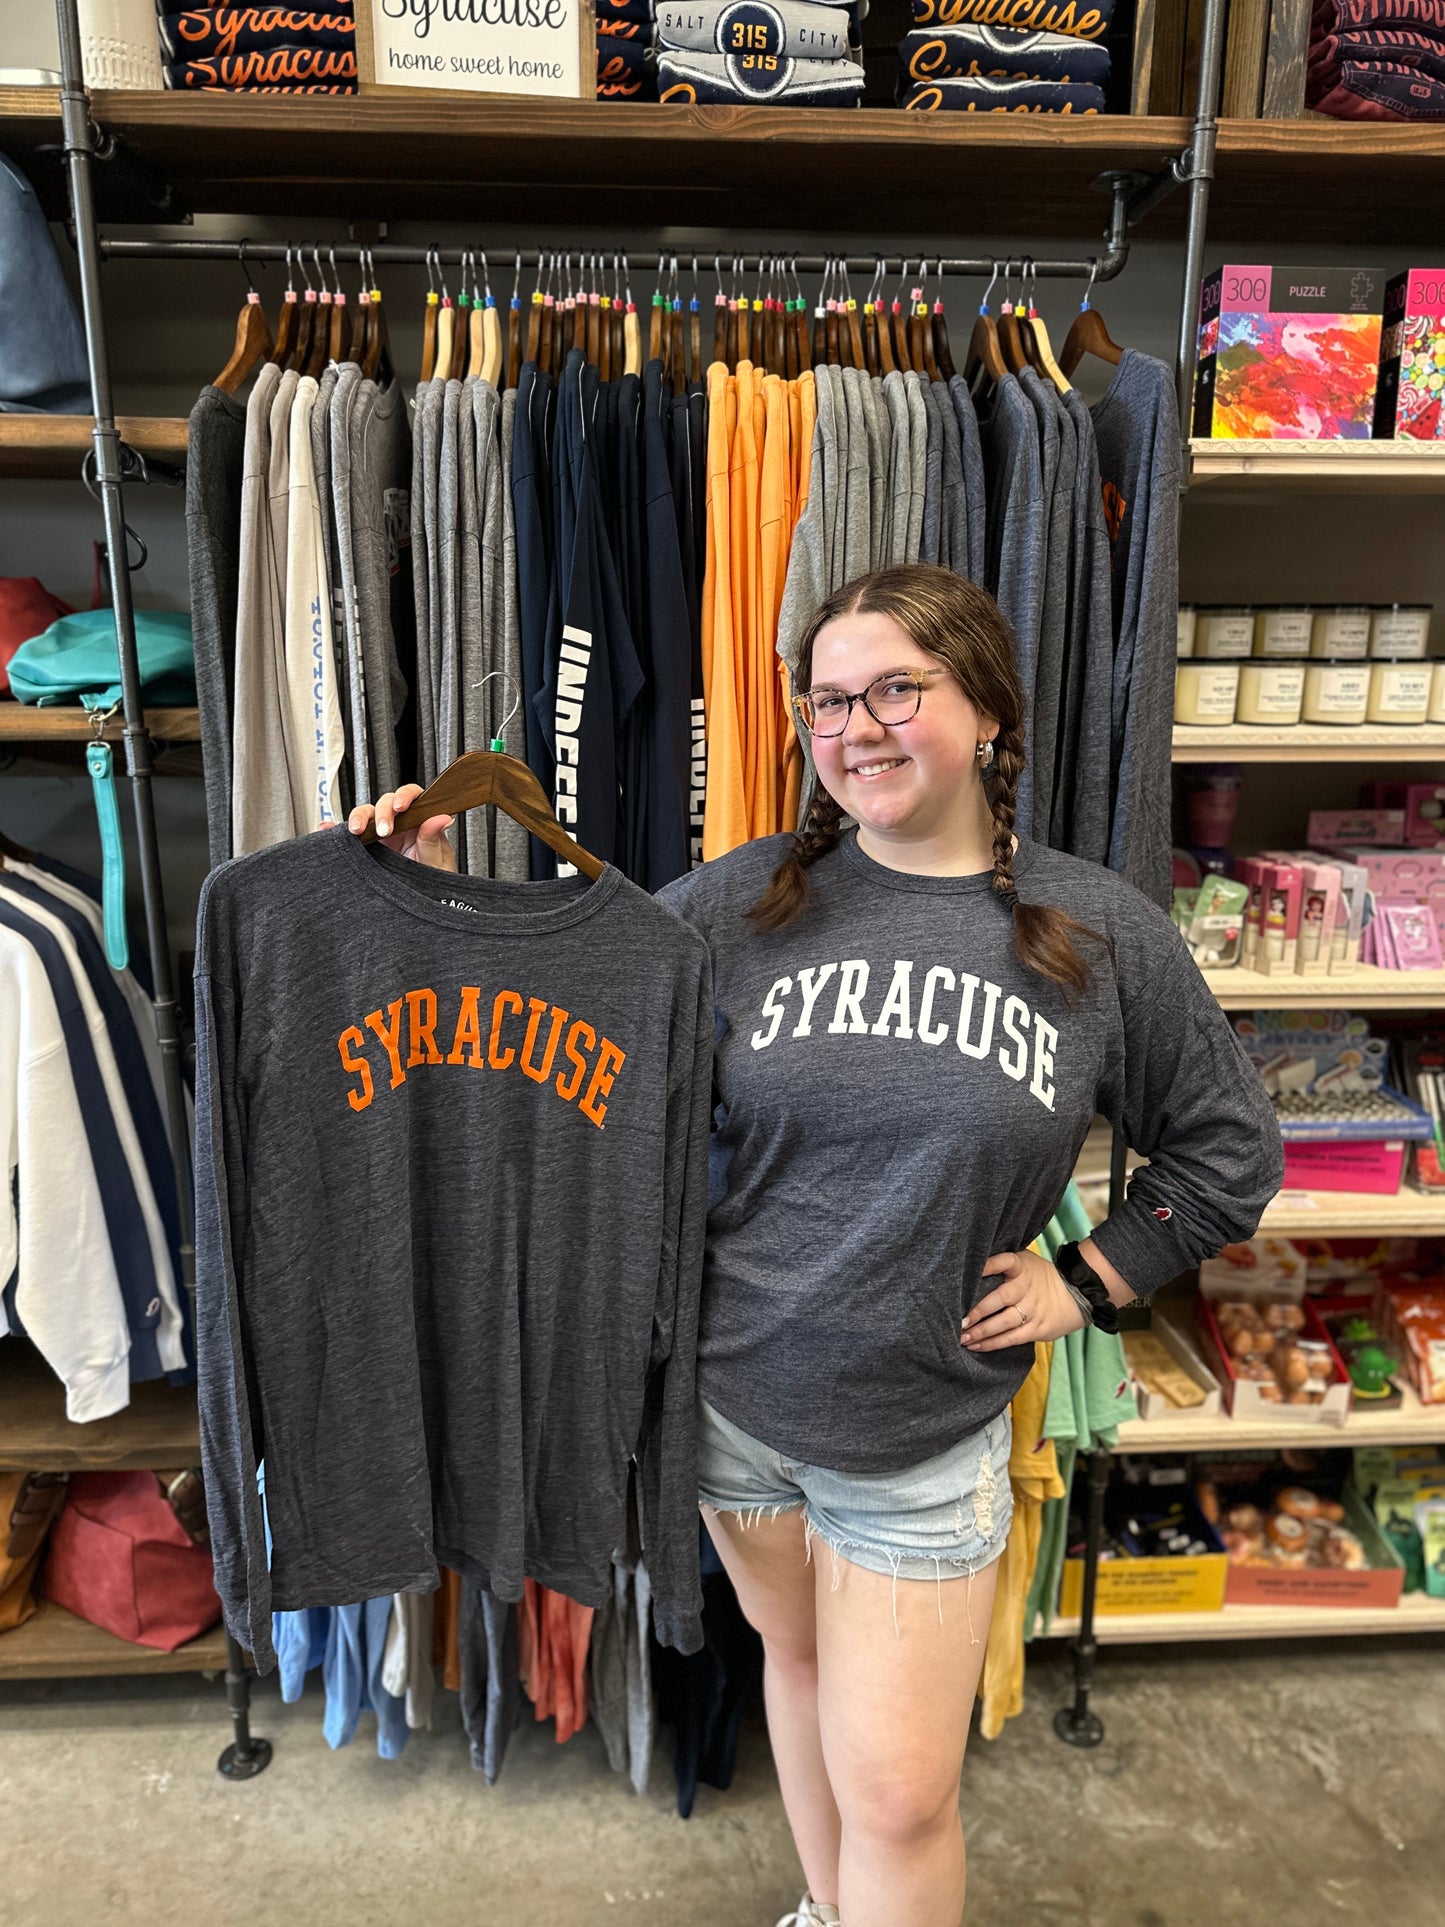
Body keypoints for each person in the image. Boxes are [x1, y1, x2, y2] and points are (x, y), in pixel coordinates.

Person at [346, 564, 1283, 1927]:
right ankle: (831, 1913)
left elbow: (1226, 1151)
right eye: (828, 700)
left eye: (898, 688)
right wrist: (414, 898)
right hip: (734, 1414)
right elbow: (536, 1052)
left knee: (900, 1790)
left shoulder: (1098, 934)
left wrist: (1089, 1278)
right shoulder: (732, 909)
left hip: (919, 1427)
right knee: (797, 1671)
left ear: (986, 713)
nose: (859, 727)